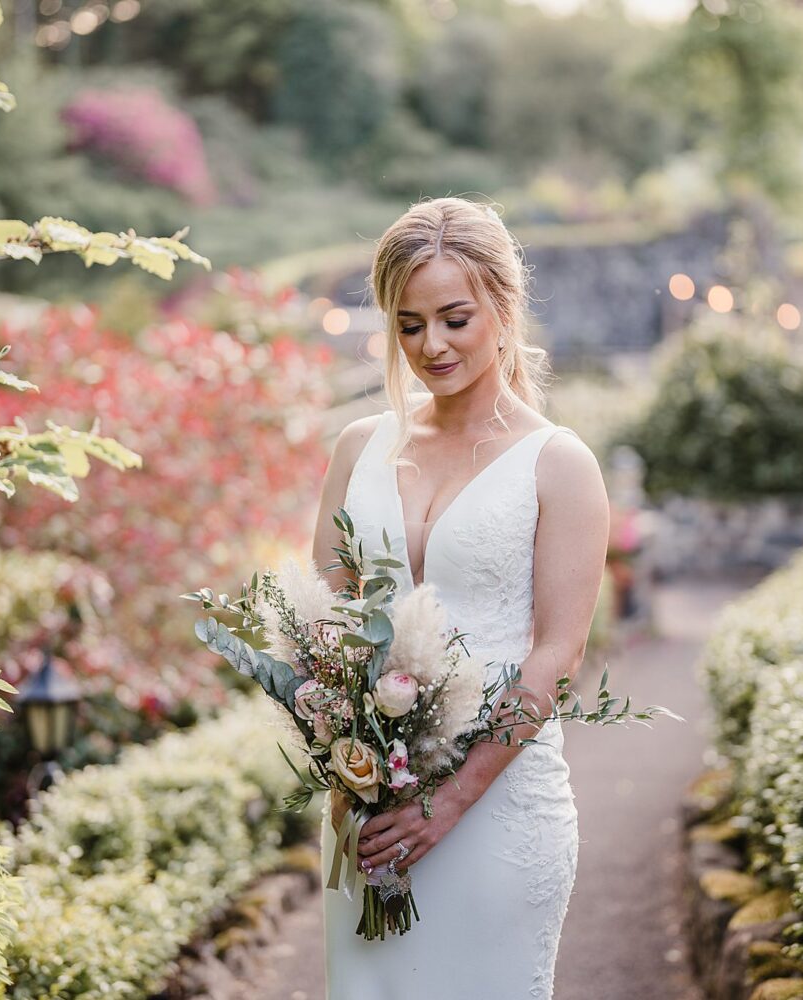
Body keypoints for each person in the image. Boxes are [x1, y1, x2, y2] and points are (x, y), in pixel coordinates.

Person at [309, 196, 611, 999]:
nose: (430, 346)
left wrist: (445, 806)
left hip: (497, 815)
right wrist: (353, 771)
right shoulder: (357, 447)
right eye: (408, 325)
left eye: (453, 319)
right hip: (368, 818)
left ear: (503, 310)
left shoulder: (559, 465)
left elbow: (558, 654)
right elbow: (327, 626)